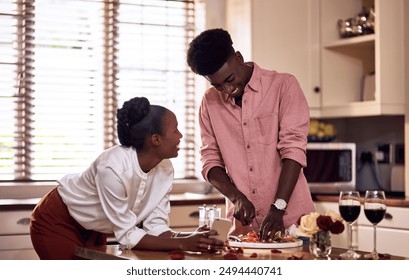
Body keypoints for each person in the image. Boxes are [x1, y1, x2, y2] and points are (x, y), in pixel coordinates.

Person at [30, 96, 223, 259]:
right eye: (175, 129)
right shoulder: (112, 167)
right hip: (58, 220)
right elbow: (128, 235)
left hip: (95, 227)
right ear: (155, 139)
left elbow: (155, 226)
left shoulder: (165, 168)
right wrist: (183, 243)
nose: (181, 135)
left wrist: (190, 237)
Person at [187, 28, 315, 241]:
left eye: (230, 78)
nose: (227, 89)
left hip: (295, 224)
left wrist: (278, 208)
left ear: (239, 58)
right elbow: (209, 160)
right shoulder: (209, 103)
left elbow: (293, 150)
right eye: (218, 85)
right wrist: (235, 197)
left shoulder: (283, 86)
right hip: (243, 231)